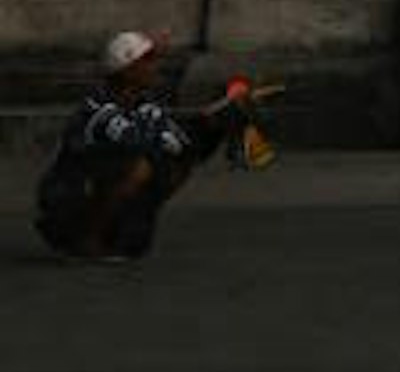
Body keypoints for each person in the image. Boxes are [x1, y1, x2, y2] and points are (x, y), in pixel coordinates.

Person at [34, 34, 254, 263]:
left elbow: (184, 148)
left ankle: (118, 232)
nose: (154, 66)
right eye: (147, 60)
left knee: (174, 166)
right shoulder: (98, 110)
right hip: (65, 201)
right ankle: (85, 240)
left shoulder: (145, 106)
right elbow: (137, 142)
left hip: (98, 190)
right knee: (139, 165)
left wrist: (213, 125)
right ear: (126, 68)